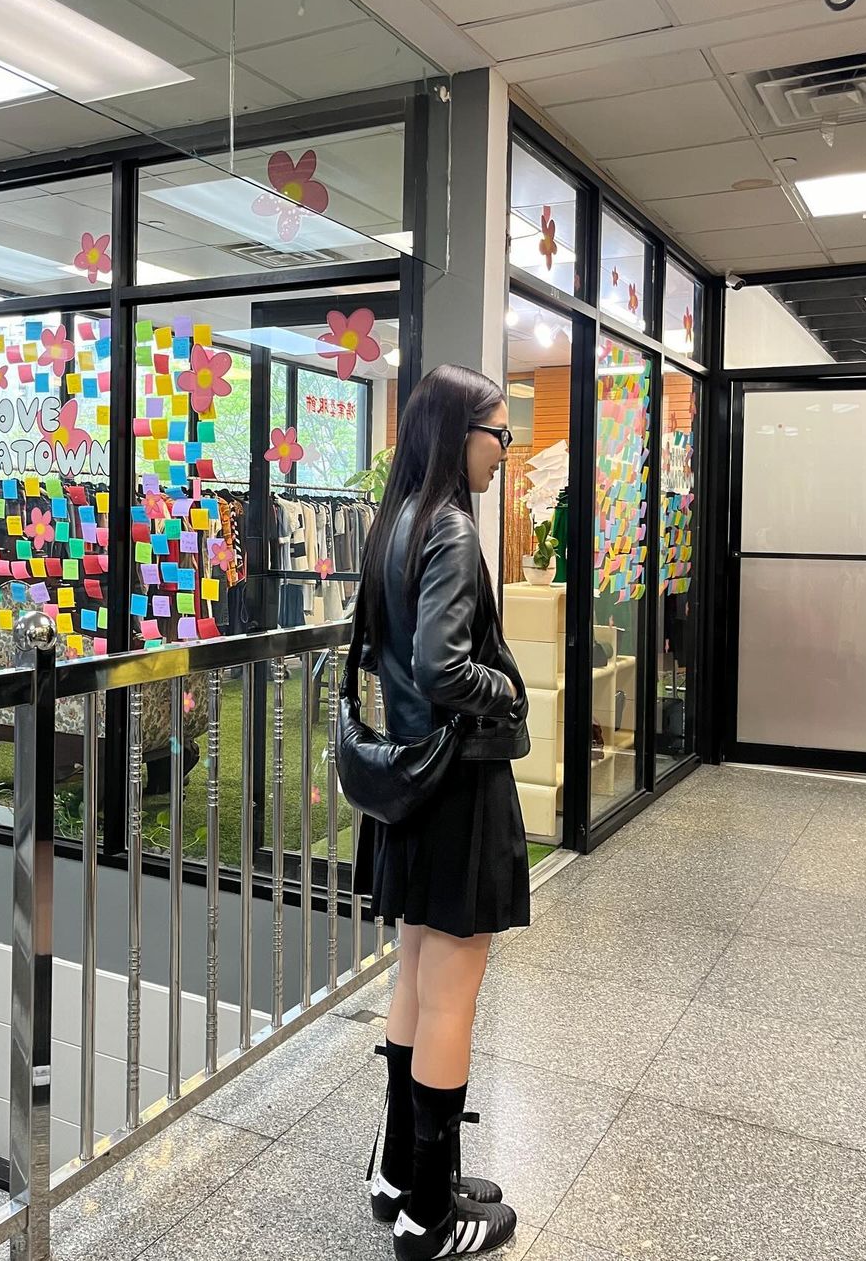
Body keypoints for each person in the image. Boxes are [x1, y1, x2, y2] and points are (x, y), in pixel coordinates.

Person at [351, 363, 531, 1259]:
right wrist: (508, 689)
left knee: (416, 977)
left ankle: (400, 1173)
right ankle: (430, 1214)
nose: (505, 449)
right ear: (460, 434)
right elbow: (442, 666)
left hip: (409, 782)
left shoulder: (398, 522)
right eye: (500, 433)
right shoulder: (453, 530)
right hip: (458, 787)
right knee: (452, 995)